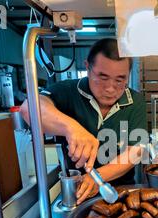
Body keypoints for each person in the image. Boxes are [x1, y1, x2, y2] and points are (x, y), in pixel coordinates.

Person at [20, 38, 147, 204]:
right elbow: (28, 108)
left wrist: (97, 177)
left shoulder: (135, 101)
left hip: (121, 192)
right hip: (75, 193)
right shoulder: (67, 91)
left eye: (119, 79)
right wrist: (71, 128)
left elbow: (135, 152)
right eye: (102, 77)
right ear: (88, 67)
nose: (110, 88)